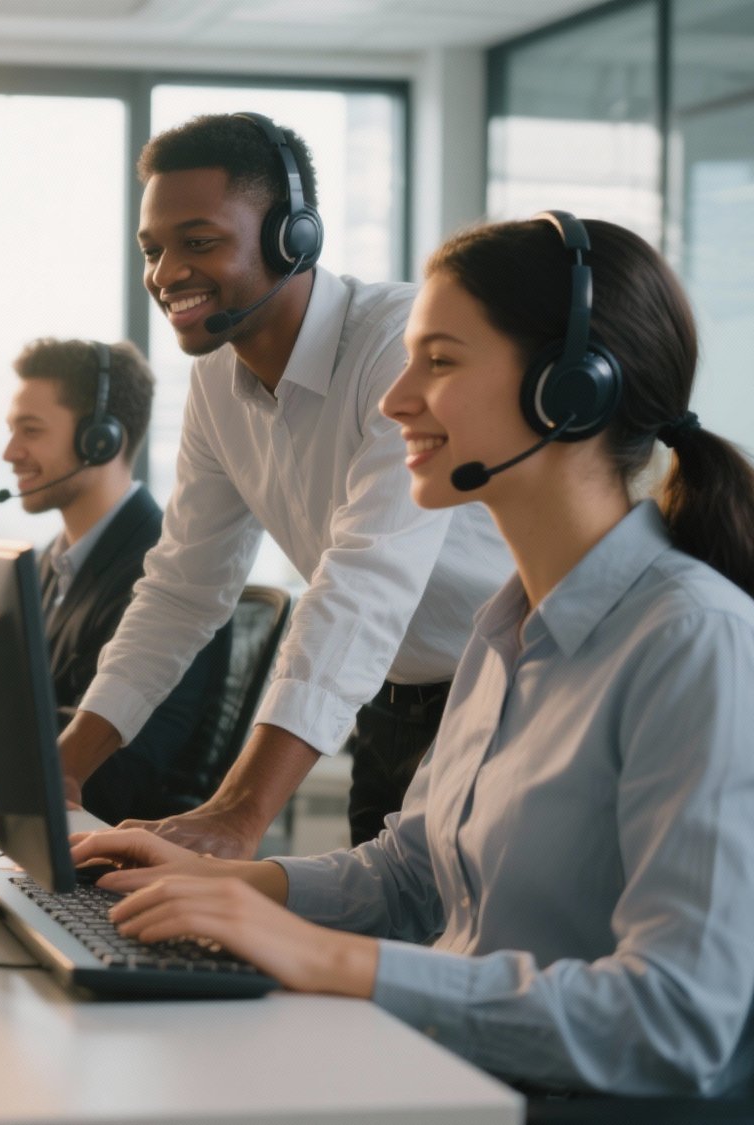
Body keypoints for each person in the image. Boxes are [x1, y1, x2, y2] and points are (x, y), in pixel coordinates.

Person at [71, 213, 754, 1097]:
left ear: (570, 388)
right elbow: (413, 871)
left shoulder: (695, 646)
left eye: (439, 361)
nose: (393, 401)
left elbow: (675, 1020)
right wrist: (235, 885)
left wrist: (321, 956)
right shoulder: (506, 628)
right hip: (460, 1077)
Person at [59, 113, 512, 855]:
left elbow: (364, 580)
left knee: (465, 956)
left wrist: (240, 813)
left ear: (293, 236)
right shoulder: (215, 381)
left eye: (199, 242)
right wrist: (64, 767)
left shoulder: (400, 344)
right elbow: (183, 589)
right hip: (388, 706)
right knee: (381, 948)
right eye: (153, 249)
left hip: (502, 697)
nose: (167, 272)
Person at [0, 338, 229, 823]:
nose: (11, 452)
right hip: (31, 833)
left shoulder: (167, 575)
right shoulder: (50, 567)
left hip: (110, 852)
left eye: (30, 430)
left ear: (101, 439)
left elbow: (110, 769)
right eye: (12, 430)